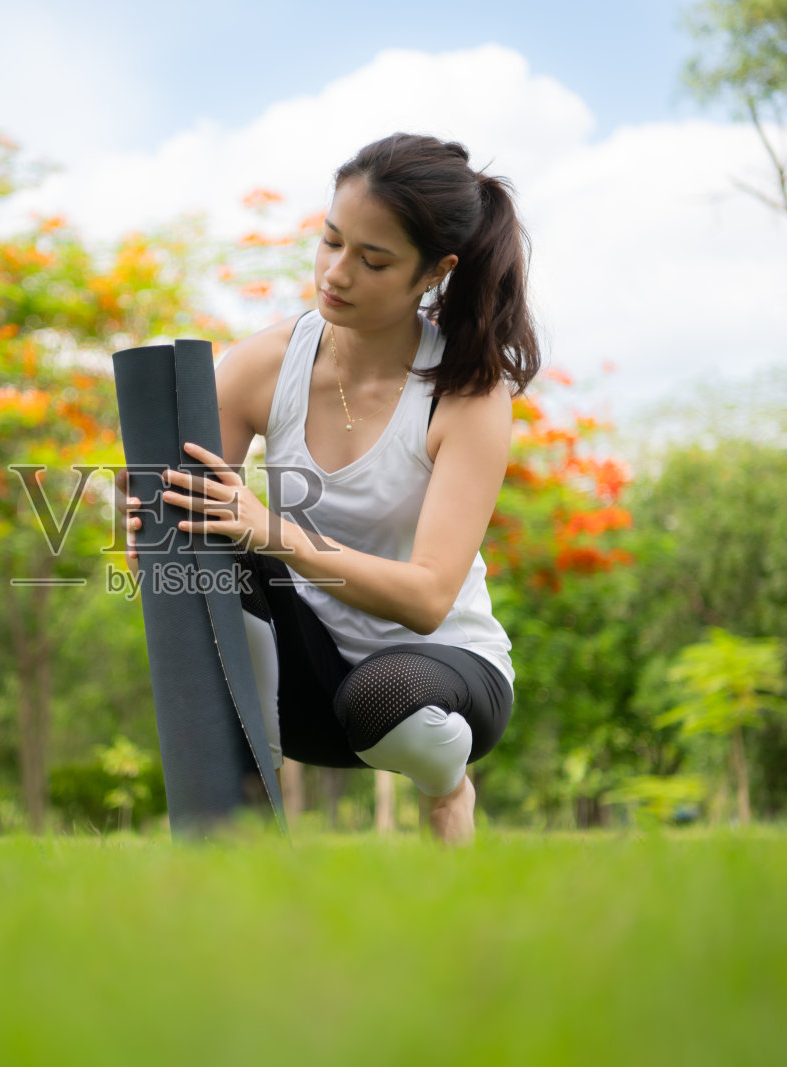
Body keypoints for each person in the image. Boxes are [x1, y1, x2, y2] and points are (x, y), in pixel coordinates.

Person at [119, 133, 538, 844]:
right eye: (330, 241)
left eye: (373, 259)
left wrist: (274, 533)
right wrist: (152, 535)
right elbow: (174, 558)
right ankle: (241, 822)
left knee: (382, 694)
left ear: (435, 272)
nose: (336, 273)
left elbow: (430, 598)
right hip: (299, 686)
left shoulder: (466, 392)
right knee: (203, 530)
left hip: (437, 679)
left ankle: (449, 789)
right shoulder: (263, 365)